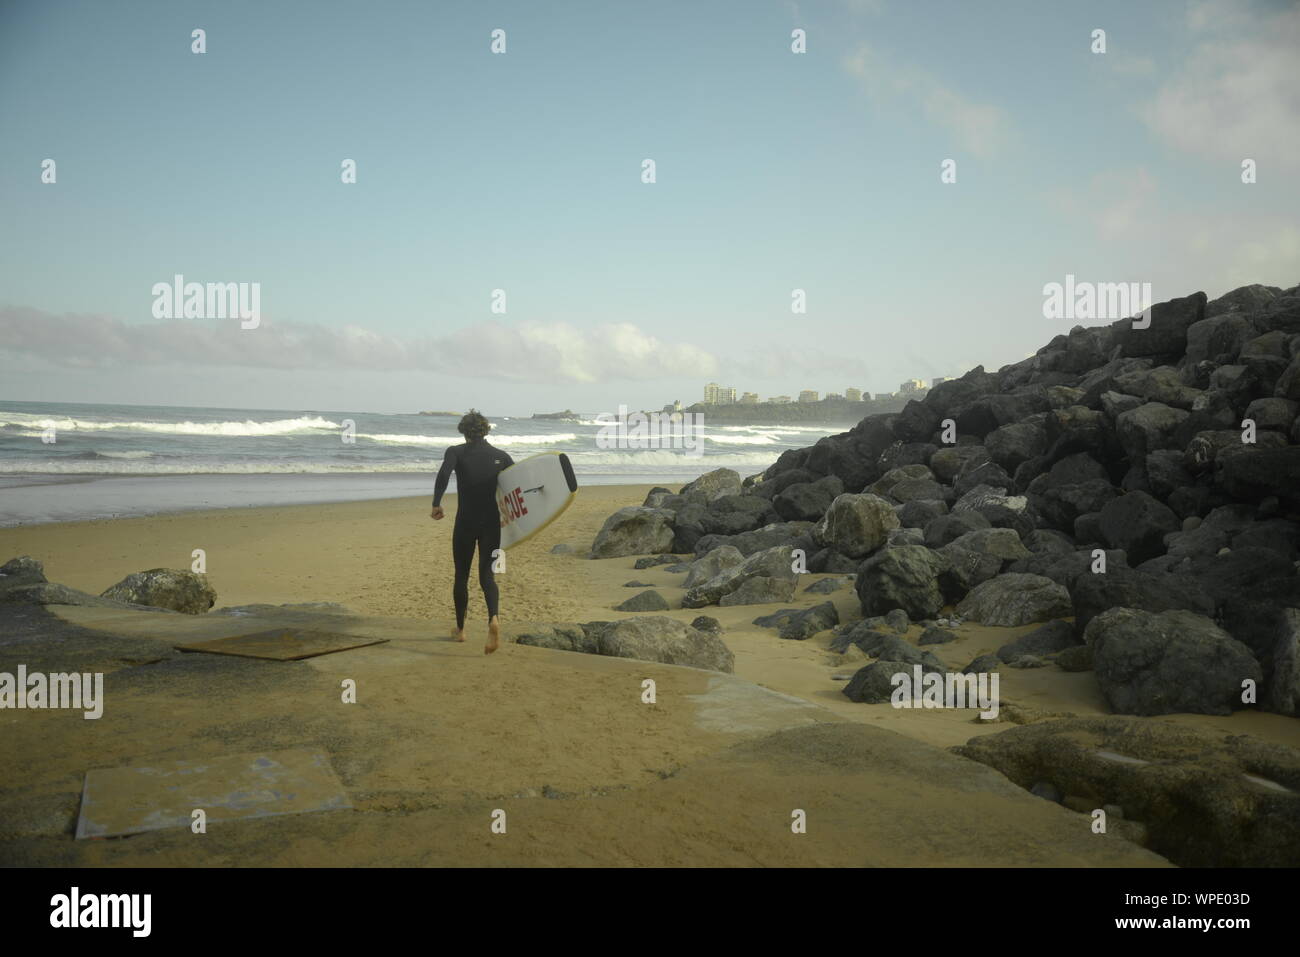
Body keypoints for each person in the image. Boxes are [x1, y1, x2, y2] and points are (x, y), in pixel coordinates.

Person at [430, 410, 513, 653]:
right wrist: (515, 516)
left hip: (465, 522)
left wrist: (436, 503)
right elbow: (517, 485)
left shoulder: (455, 452)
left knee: (461, 575)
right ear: (485, 430)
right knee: (487, 575)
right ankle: (494, 620)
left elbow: (444, 474)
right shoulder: (501, 456)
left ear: (463, 431)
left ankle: (461, 630)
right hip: (491, 523)